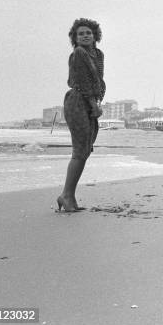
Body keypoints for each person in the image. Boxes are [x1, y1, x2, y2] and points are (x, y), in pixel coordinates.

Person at [58, 18, 106, 212]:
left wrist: (97, 102)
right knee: (80, 151)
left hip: (91, 101)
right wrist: (92, 104)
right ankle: (66, 196)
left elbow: (98, 81)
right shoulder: (78, 53)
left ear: (95, 35)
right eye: (81, 34)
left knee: (85, 150)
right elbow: (83, 82)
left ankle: (68, 195)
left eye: (88, 32)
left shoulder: (98, 54)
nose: (85, 35)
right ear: (75, 38)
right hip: (78, 101)